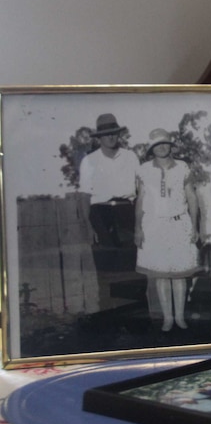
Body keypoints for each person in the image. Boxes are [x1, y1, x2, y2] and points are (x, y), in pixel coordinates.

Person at [134, 128, 201, 332]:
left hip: (179, 224)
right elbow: (140, 201)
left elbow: (192, 198)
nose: (162, 148)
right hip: (154, 226)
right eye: (157, 145)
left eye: (165, 144)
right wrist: (138, 228)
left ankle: (180, 317)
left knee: (179, 274)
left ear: (171, 146)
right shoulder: (144, 170)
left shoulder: (182, 167)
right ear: (151, 149)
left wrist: (195, 226)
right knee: (161, 274)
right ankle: (168, 318)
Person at [79, 113, 140, 308]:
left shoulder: (131, 157)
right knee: (106, 267)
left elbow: (141, 191)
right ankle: (110, 317)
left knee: (131, 265)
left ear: (118, 135)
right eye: (106, 134)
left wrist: (140, 223)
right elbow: (84, 197)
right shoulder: (89, 161)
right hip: (101, 214)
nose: (111, 137)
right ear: (99, 138)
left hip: (126, 212)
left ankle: (134, 318)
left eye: (114, 133)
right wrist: (89, 227)